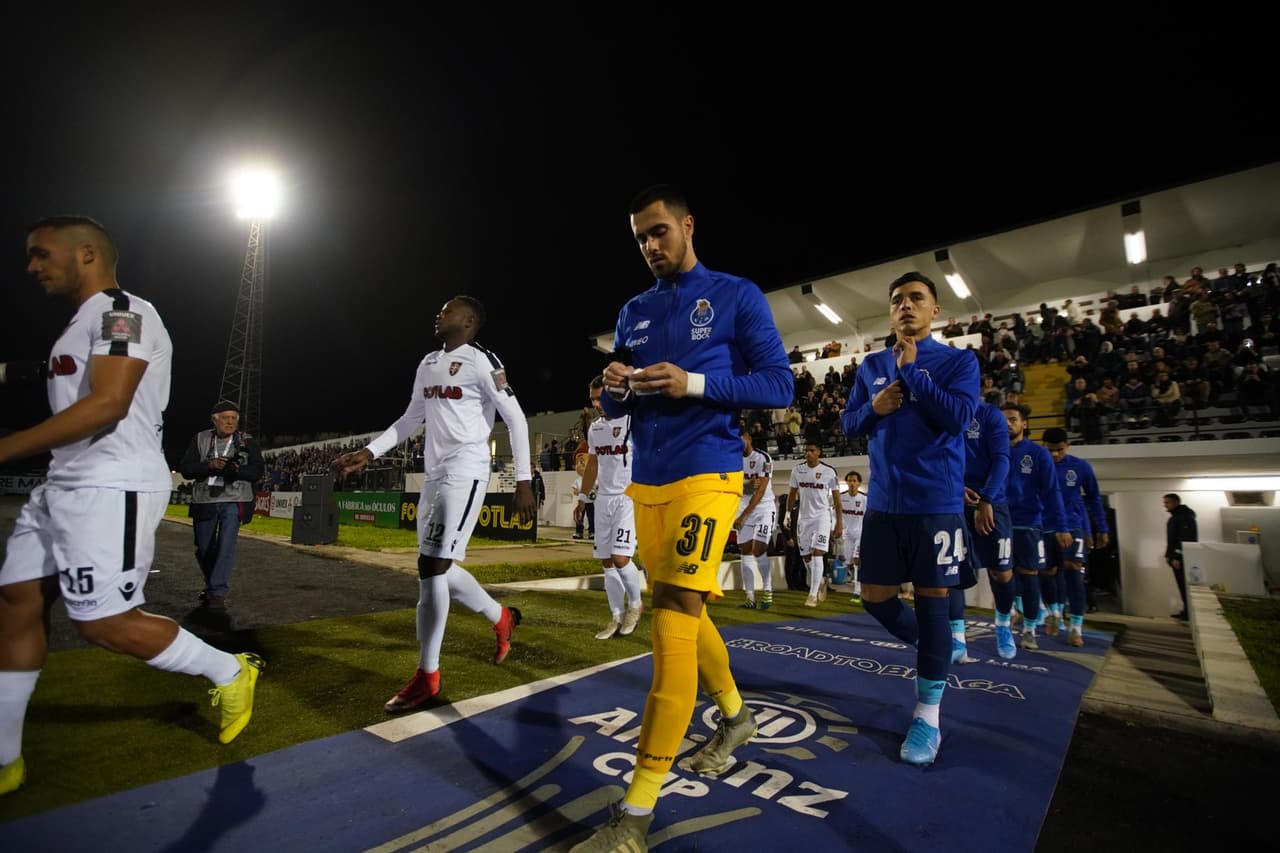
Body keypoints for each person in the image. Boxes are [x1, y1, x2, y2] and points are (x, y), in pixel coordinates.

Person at [0, 216, 262, 796]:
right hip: (63, 482)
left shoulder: (126, 311)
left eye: (42, 254)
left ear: (86, 253)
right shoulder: (80, 325)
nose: (32, 266)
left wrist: (5, 448)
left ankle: (228, 669)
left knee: (102, 624)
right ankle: (4, 757)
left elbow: (107, 404)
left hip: (110, 484)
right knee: (16, 600)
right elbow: (58, 374)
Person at [571, 185, 793, 851]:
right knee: (689, 615)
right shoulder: (633, 311)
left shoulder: (735, 294)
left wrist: (692, 383)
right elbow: (623, 412)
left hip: (711, 474)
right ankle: (735, 716)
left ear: (688, 225)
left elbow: (778, 384)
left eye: (660, 231)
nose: (651, 245)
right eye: (641, 237)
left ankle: (634, 818)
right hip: (649, 484)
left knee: (669, 622)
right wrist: (616, 392)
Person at [333, 295, 533, 713]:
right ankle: (501, 618)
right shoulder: (427, 363)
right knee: (437, 564)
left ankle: (428, 676)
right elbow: (410, 419)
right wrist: (369, 453)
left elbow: (515, 418)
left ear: (469, 320)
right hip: (435, 473)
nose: (438, 315)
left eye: (447, 311)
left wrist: (524, 481)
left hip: (468, 469)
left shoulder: (483, 361)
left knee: (432, 565)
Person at [841, 271, 979, 766]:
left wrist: (915, 374)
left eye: (916, 298)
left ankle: (927, 715)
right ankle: (935, 647)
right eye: (897, 299)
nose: (905, 306)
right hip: (882, 505)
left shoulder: (959, 362)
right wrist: (874, 408)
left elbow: (960, 419)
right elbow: (848, 424)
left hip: (935, 507)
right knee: (874, 600)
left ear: (935, 310)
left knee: (934, 599)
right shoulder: (871, 365)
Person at [177, 400, 264, 610]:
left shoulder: (247, 440)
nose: (230, 422)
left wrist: (235, 471)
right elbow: (186, 469)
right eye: (226, 418)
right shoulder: (200, 438)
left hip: (235, 500)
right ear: (214, 420)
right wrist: (209, 465)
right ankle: (212, 585)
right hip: (205, 499)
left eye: (234, 418)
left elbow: (256, 471)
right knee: (204, 548)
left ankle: (217, 592)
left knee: (226, 545)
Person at [579, 377, 644, 639]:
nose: (596, 404)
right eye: (593, 399)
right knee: (607, 562)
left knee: (620, 558)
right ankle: (616, 616)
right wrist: (583, 498)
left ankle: (636, 606)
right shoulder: (595, 428)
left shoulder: (632, 421)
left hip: (627, 498)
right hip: (603, 499)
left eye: (601, 398)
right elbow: (592, 465)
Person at [1002, 404, 1070, 649]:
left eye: (1012, 419)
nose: (1008, 423)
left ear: (1024, 424)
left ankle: (1029, 630)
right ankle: (1006, 618)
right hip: (998, 523)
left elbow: (1052, 492)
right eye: (1004, 420)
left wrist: (1061, 526)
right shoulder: (992, 451)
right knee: (1001, 575)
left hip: (1028, 524)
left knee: (1029, 576)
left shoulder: (1038, 454)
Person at [1042, 428, 1108, 647]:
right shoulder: (1036, 465)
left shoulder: (1080, 467)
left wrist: (1101, 528)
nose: (1054, 455)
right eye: (1050, 450)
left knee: (1073, 571)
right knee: (1047, 572)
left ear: (1068, 446)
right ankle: (1054, 613)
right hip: (1044, 527)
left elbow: (1094, 499)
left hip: (1072, 527)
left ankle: (1076, 627)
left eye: (1059, 450)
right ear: (1043, 446)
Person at [960, 400, 1015, 660]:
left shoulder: (990, 415)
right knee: (953, 572)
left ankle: (1003, 625)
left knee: (1002, 572)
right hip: (955, 501)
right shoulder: (944, 411)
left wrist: (987, 499)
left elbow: (1002, 459)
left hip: (992, 502)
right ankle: (956, 637)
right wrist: (955, 487)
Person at [783, 442, 842, 606]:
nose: (808, 453)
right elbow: (792, 493)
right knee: (806, 556)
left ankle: (812, 595)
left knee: (817, 553)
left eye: (812, 450)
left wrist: (839, 523)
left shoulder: (829, 472)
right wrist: (787, 514)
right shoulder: (797, 470)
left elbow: (837, 500)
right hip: (804, 518)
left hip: (822, 517)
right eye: (806, 450)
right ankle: (820, 580)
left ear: (819, 452)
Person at [733, 424, 776, 610]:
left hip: (763, 509)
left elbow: (760, 491)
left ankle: (767, 590)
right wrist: (746, 484)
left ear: (748, 437)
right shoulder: (731, 459)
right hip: (742, 507)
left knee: (759, 549)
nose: (737, 442)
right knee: (745, 551)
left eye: (740, 437)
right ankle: (750, 597)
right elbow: (728, 482)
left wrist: (743, 516)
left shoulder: (763, 458)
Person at [1164, 493, 1197, 620]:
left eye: (1167, 502)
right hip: (1175, 557)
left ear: (1175, 502)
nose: (1165, 505)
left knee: (1184, 585)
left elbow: (1186, 538)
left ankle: (1189, 613)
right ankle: (1186, 611)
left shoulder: (1184, 517)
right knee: (1181, 585)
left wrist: (1177, 556)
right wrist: (1169, 555)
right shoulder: (1177, 517)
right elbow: (1173, 538)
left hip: (1182, 558)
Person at [839, 470, 867, 603]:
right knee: (848, 562)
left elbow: (869, 518)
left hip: (861, 534)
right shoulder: (840, 497)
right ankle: (859, 578)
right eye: (849, 480)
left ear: (859, 483)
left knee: (856, 560)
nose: (851, 483)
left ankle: (857, 592)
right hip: (847, 534)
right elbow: (835, 514)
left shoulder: (864, 499)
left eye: (854, 481)